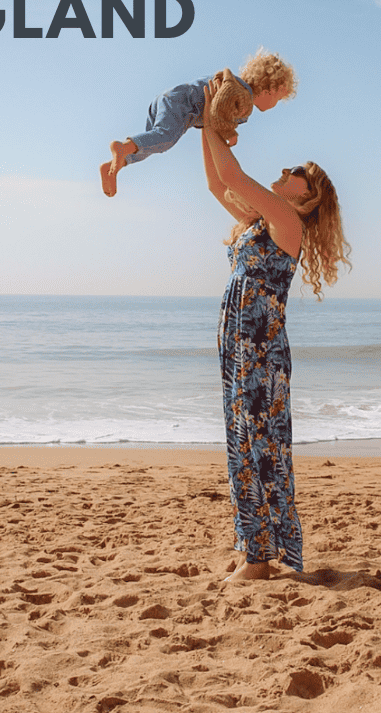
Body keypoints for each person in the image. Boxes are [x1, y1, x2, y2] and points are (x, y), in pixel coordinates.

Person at [201, 83, 351, 583]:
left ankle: (259, 558)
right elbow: (214, 183)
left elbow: (231, 173)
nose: (286, 172)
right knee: (242, 445)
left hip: (260, 351)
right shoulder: (259, 221)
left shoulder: (287, 220)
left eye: (296, 174)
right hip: (240, 344)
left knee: (257, 447)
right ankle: (252, 548)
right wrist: (206, 127)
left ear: (307, 197)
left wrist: (212, 113)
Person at [100, 49, 297, 196]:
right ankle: (120, 147)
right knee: (164, 139)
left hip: (170, 98)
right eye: (277, 99)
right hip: (182, 105)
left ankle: (114, 165)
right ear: (269, 90)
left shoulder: (237, 87)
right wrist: (229, 132)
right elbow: (218, 108)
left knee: (152, 143)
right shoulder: (243, 97)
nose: (275, 104)